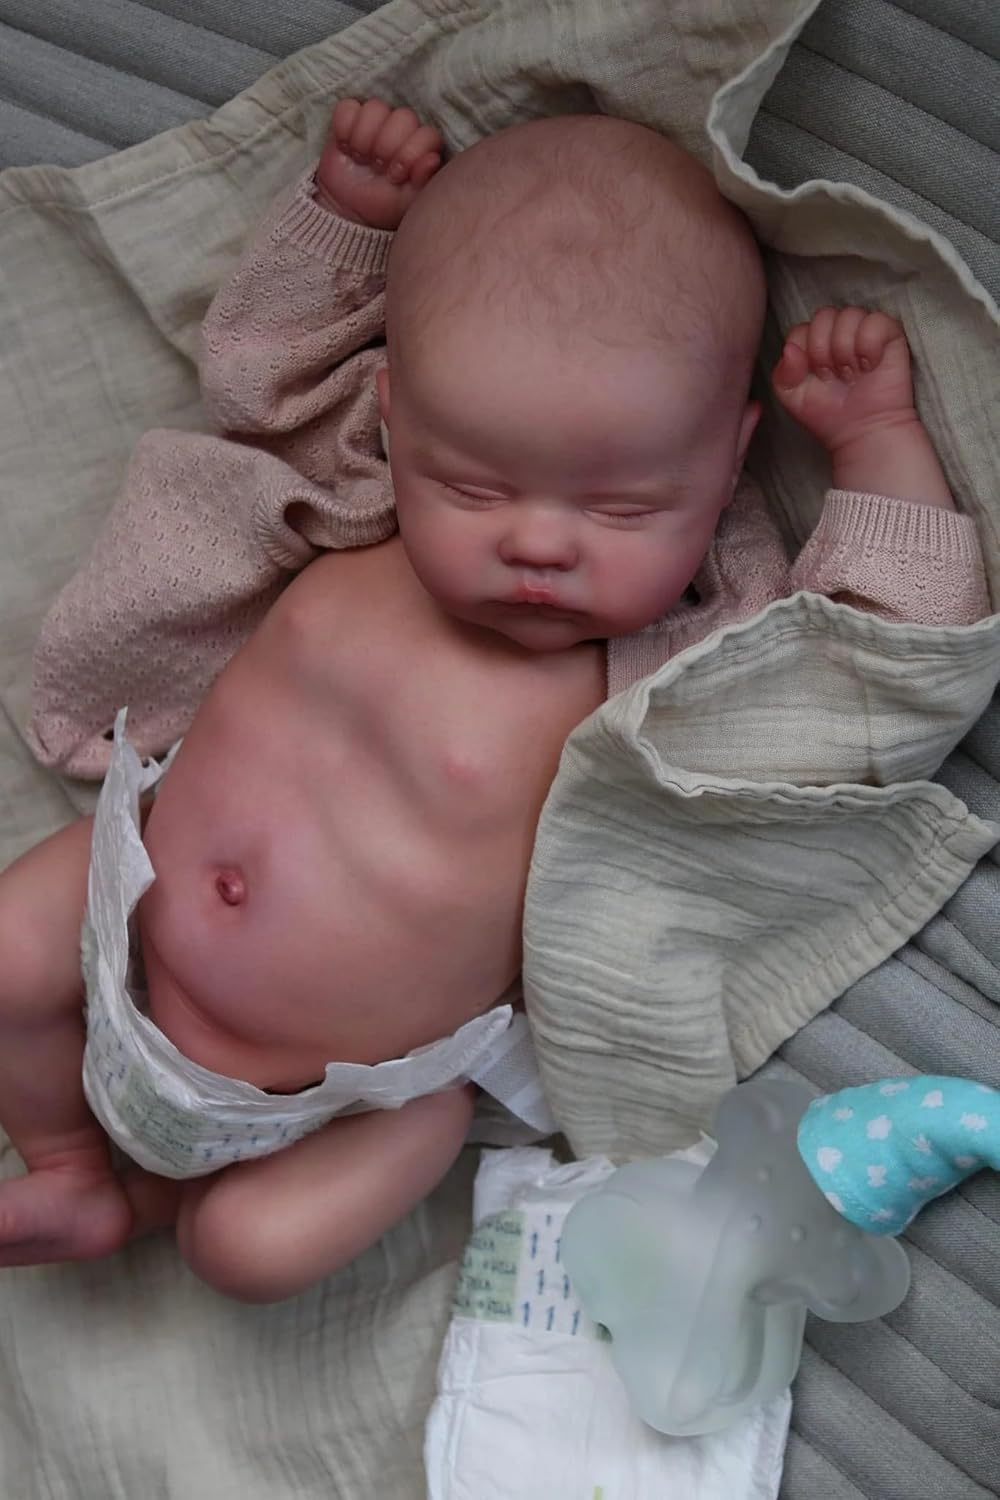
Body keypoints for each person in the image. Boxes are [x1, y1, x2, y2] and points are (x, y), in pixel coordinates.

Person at [0, 102, 989, 1303]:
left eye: (621, 509)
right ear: (394, 419)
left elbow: (877, 667)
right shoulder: (353, 499)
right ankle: (70, 1164)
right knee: (6, 951)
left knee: (245, 1255)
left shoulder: (671, 672)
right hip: (126, 921)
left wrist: (874, 440)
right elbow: (265, 374)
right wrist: (349, 219)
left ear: (731, 460)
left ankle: (176, 1200)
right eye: (472, 487)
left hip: (349, 1085)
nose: (538, 544)